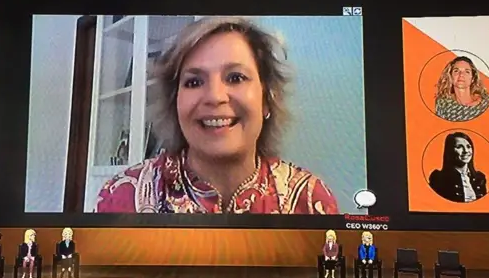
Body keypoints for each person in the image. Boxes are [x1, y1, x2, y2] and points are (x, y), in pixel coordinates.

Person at [95, 16, 339, 214]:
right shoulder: (122, 197)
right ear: (175, 102)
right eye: (194, 82)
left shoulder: (310, 201)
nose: (214, 96)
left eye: (236, 78)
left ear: (267, 99)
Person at [428, 131, 487, 203]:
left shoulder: (480, 178)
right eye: (459, 147)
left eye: (468, 147)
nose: (466, 151)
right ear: (449, 151)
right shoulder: (438, 178)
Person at [434, 56, 489, 122]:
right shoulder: (443, 103)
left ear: (473, 78)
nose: (461, 75)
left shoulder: (486, 102)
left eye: (467, 71)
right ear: (450, 76)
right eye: (456, 71)